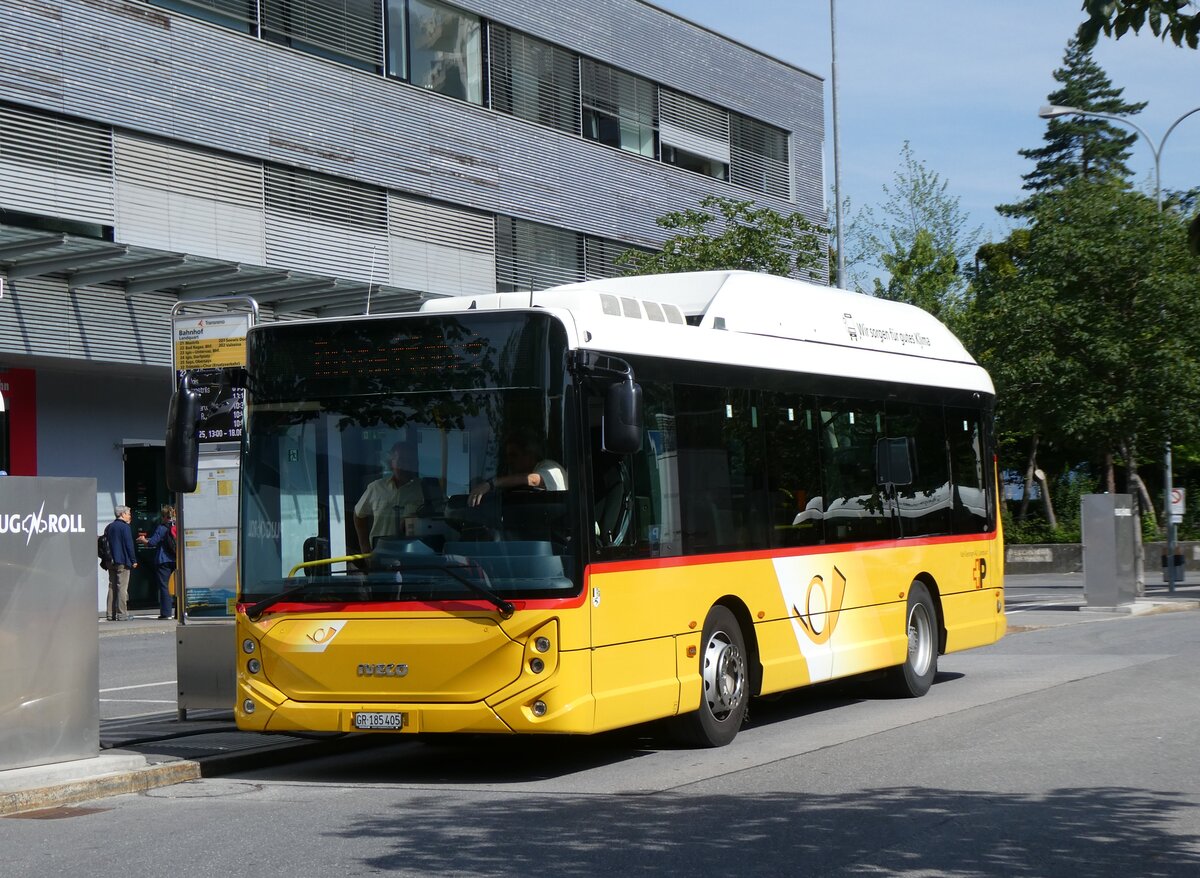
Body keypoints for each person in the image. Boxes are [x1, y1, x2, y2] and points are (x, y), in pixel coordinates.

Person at [354, 440, 428, 551]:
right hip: (380, 554)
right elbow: (358, 514)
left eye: (410, 461)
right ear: (391, 463)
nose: (406, 466)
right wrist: (364, 546)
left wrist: (419, 517)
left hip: (415, 555)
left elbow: (441, 518)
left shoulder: (426, 490)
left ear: (416, 464)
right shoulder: (376, 488)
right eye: (401, 460)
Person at [469, 431, 565, 507]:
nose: (509, 461)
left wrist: (491, 484)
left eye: (514, 455)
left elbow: (533, 480)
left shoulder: (550, 468)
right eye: (507, 457)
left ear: (529, 455)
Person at [138, 505, 177, 619]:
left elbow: (152, 543)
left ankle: (166, 613)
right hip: (176, 559)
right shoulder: (178, 526)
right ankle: (178, 613)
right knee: (178, 586)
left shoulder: (162, 527)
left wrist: (143, 540)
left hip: (163, 560)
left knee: (165, 586)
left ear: (164, 516)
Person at [104, 505, 138, 621]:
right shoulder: (125, 527)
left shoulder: (109, 527)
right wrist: (133, 560)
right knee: (122, 587)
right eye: (128, 514)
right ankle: (122, 614)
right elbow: (129, 545)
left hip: (110, 561)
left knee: (112, 586)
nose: (130, 516)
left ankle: (110, 613)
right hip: (123, 561)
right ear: (122, 514)